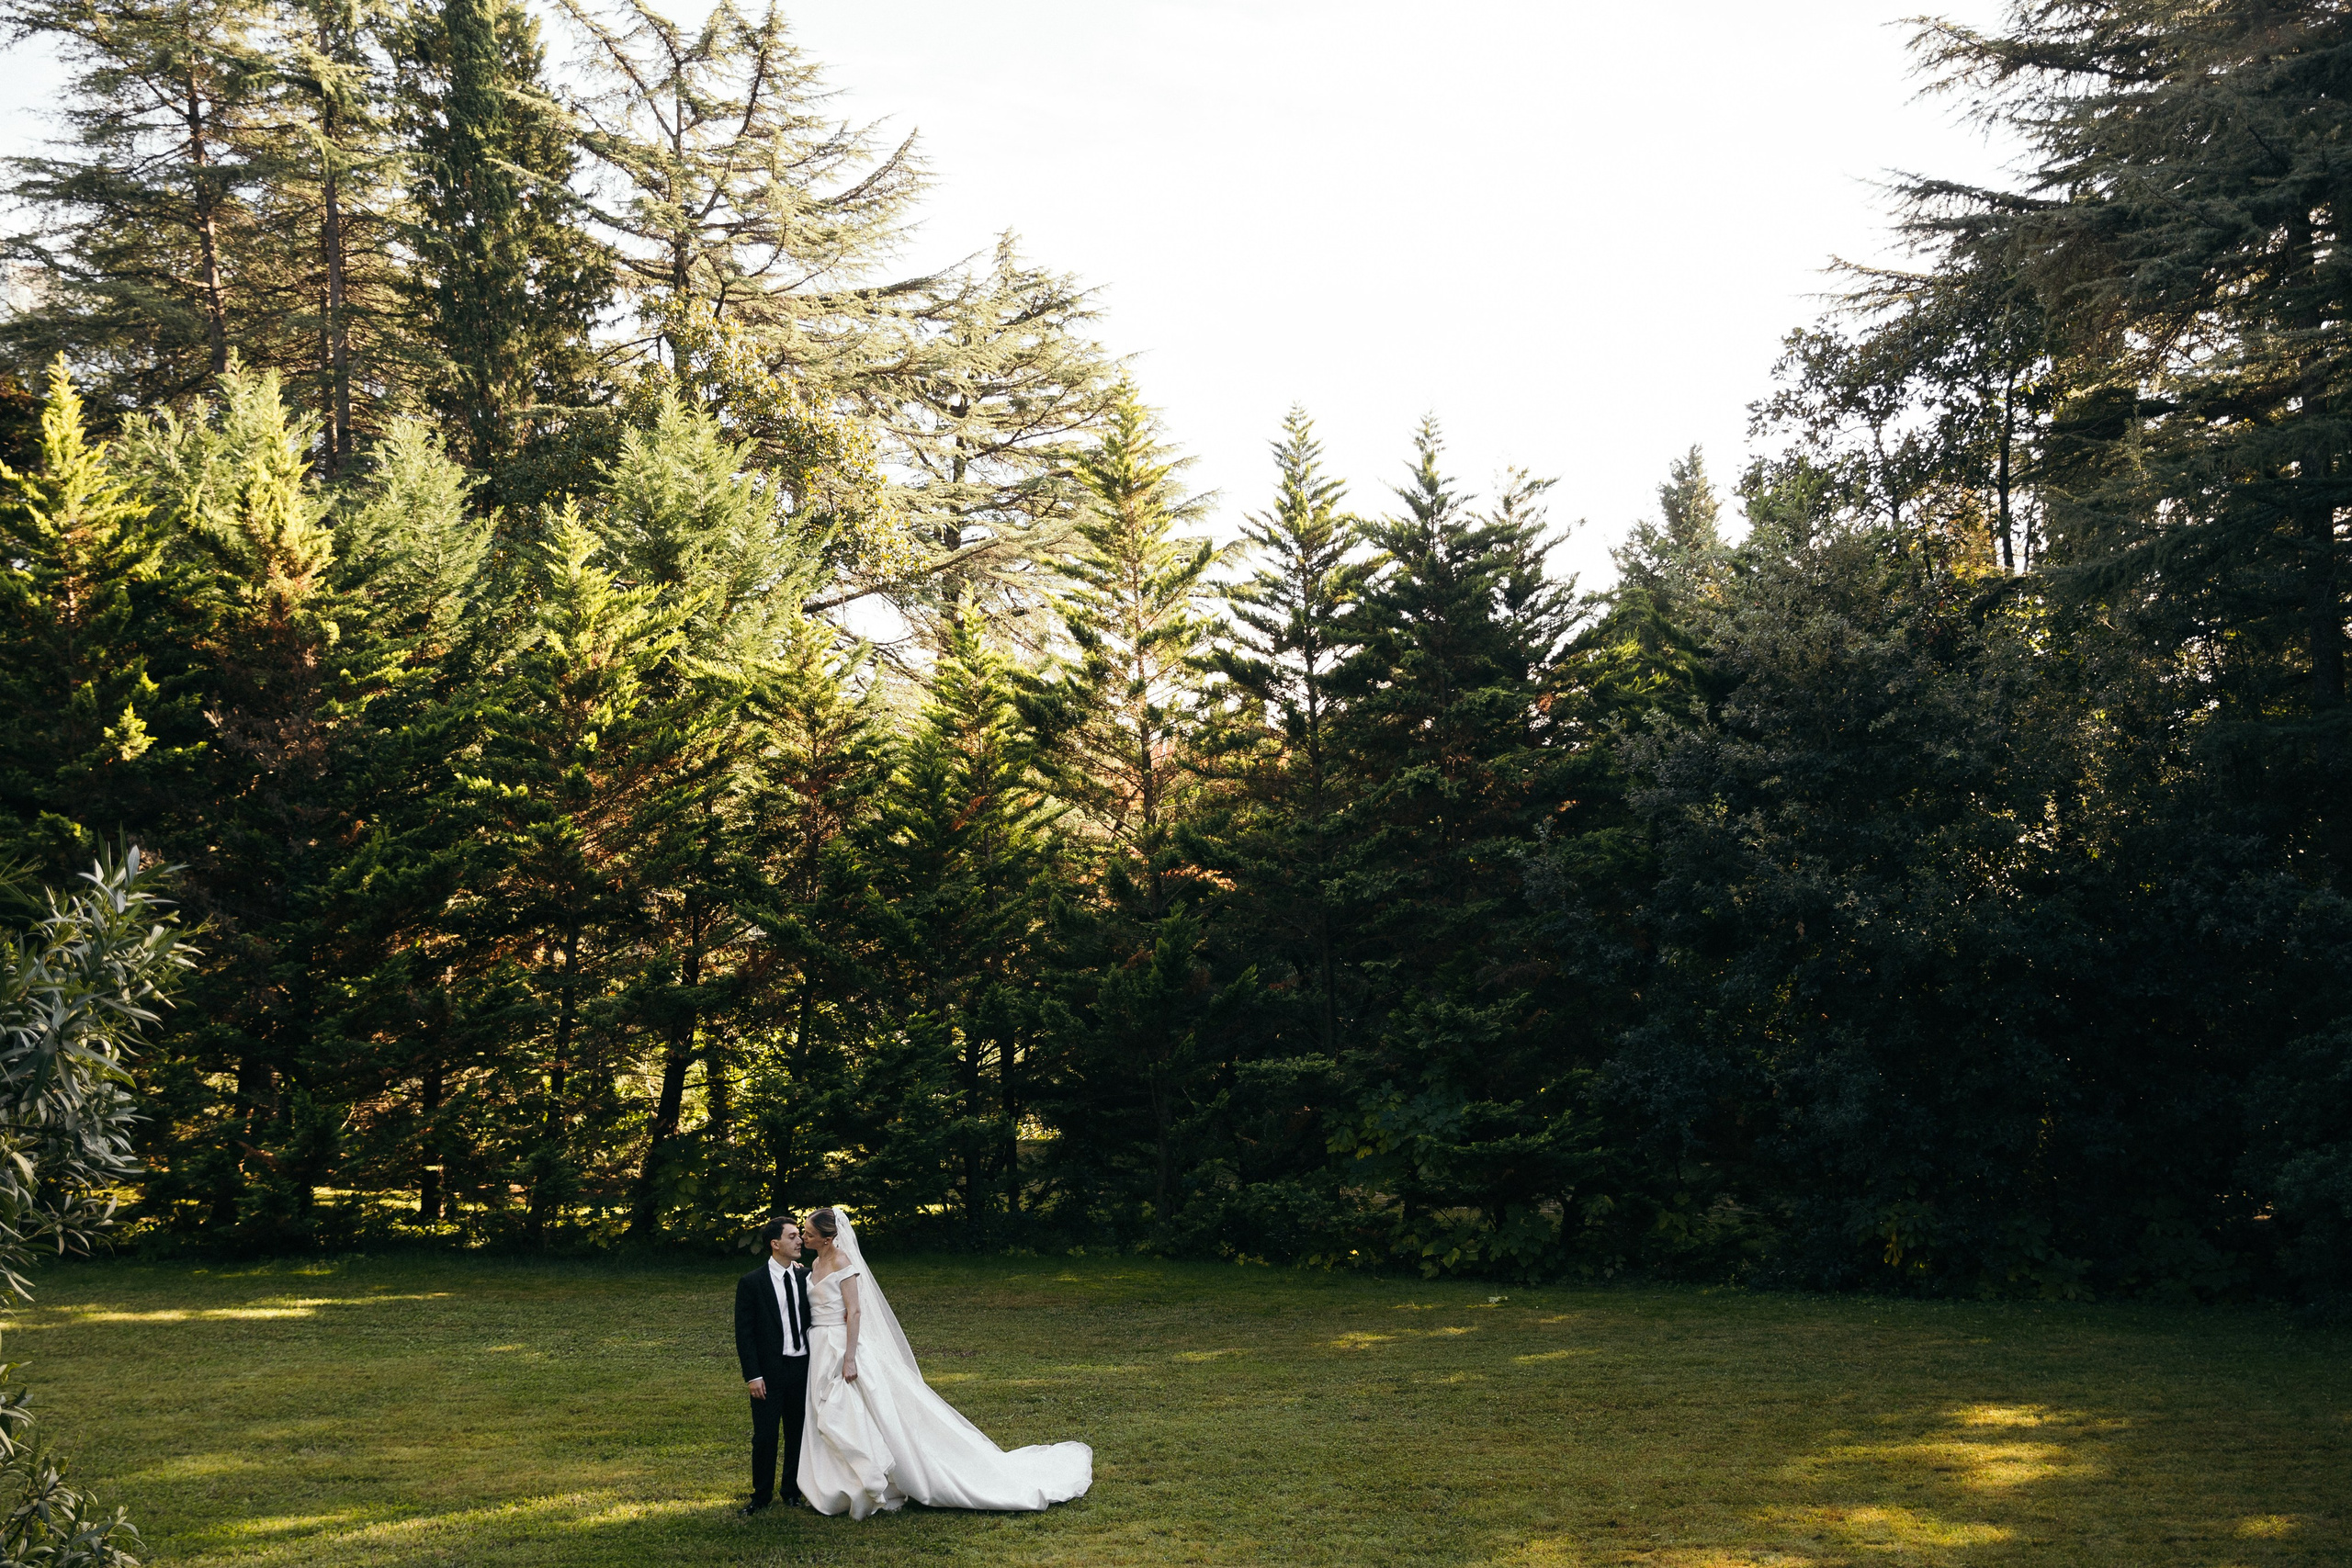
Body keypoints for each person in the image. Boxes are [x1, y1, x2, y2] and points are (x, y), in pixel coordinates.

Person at [797, 1206, 1092, 1518]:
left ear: (829, 1239)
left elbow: (855, 1312)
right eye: (804, 1232)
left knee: (851, 1413)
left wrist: (850, 1357)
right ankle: (839, 1484)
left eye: (810, 1233)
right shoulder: (814, 1263)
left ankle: (877, 1482)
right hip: (820, 1347)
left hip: (843, 1347)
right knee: (829, 1416)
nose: (804, 1237)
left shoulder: (844, 1262)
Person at [732, 1213, 813, 1515]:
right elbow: (745, 1333)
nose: (800, 1240)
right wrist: (753, 1375)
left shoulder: (806, 1277)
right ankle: (761, 1495)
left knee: (798, 1432)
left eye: (799, 1235)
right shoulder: (752, 1283)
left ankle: (791, 1491)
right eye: (792, 1236)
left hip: (803, 1367)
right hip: (769, 1371)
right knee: (765, 1435)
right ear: (775, 1243)